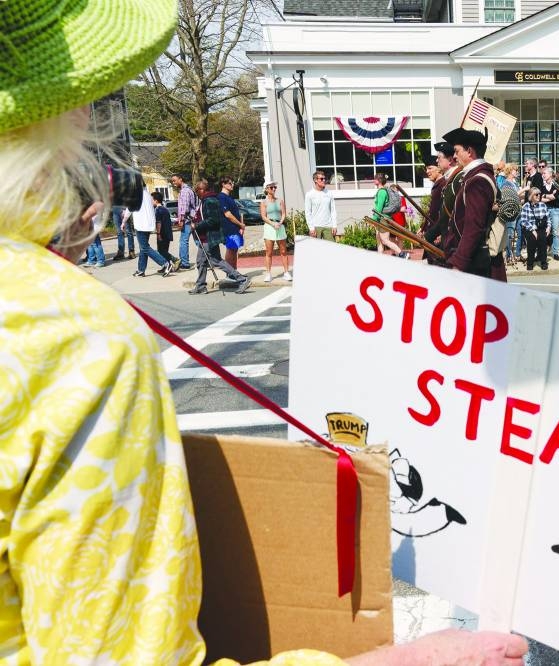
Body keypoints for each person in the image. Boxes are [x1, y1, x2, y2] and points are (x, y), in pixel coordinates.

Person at [0, 2, 529, 663]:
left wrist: (444, 268)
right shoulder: (71, 333)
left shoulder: (477, 179)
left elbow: (473, 235)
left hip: (472, 290)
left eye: (447, 153)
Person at [440, 127, 506, 281]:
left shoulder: (478, 181)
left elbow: (473, 227)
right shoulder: (475, 176)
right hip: (475, 262)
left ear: (469, 151)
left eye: (457, 151)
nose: (454, 156)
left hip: (477, 266)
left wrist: (458, 263)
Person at [188, 179, 252, 295]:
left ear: (202, 189)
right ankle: (201, 285)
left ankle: (241, 278)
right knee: (200, 261)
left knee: (216, 260)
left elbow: (213, 220)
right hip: (205, 237)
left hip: (210, 237)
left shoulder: (210, 200)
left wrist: (196, 225)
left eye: (197, 191)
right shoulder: (205, 200)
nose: (196, 193)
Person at [131, 188, 174, 277]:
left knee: (145, 247)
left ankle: (166, 263)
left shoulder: (137, 195)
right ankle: (141, 270)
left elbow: (129, 209)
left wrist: (123, 221)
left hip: (141, 225)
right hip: (147, 225)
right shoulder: (147, 195)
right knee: (143, 248)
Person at [260, 181, 292, 282]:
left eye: (275, 187)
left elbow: (283, 214)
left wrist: (280, 222)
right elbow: (263, 217)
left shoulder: (280, 201)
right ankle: (268, 273)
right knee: (269, 252)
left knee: (283, 251)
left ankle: (286, 272)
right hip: (269, 227)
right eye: (271, 187)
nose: (274, 189)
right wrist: (273, 224)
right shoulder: (263, 202)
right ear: (266, 189)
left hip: (280, 226)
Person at [372, 173, 407, 258]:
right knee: (379, 240)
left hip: (382, 219)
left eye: (375, 179)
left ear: (378, 181)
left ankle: (401, 253)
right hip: (381, 218)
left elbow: (379, 209)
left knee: (385, 241)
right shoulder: (383, 191)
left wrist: (374, 220)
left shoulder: (382, 192)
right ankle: (379, 259)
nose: (373, 180)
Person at [218, 176, 247, 269]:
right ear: (223, 184)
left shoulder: (230, 197)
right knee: (230, 250)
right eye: (230, 183)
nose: (232, 185)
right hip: (229, 229)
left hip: (236, 228)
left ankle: (235, 272)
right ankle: (230, 273)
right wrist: (240, 224)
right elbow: (228, 214)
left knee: (235, 250)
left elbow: (238, 213)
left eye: (233, 183)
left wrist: (241, 227)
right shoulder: (221, 197)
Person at [520, 187, 551, 270]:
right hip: (530, 228)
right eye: (536, 194)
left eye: (539, 194)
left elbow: (548, 218)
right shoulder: (526, 206)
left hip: (541, 227)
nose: (538, 196)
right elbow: (523, 221)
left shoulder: (543, 205)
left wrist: (548, 227)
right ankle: (530, 262)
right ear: (531, 196)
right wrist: (532, 230)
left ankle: (543, 262)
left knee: (543, 240)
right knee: (532, 240)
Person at [172, 172, 197, 269]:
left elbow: (185, 208)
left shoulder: (185, 191)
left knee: (183, 241)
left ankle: (185, 263)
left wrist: (181, 220)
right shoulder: (187, 189)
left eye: (174, 180)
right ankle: (209, 259)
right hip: (192, 218)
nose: (173, 183)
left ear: (180, 179)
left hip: (188, 220)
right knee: (198, 241)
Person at [304, 169, 338, 241]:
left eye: (325, 179)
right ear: (315, 180)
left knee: (332, 249)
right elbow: (308, 212)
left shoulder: (329, 193)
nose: (324, 180)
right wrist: (311, 228)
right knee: (316, 250)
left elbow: (333, 211)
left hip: (328, 226)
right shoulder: (309, 194)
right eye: (321, 179)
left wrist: (334, 225)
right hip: (316, 227)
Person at [539, 167, 559, 261]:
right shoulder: (542, 185)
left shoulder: (557, 184)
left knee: (555, 232)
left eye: (544, 173)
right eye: (542, 174)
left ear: (550, 174)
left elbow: (554, 197)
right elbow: (540, 198)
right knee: (545, 231)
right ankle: (544, 251)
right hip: (545, 209)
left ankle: (555, 252)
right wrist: (548, 196)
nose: (543, 175)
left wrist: (545, 196)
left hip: (555, 210)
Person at [152, 190, 179, 269]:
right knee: (164, 251)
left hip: (162, 234)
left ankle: (175, 260)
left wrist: (158, 233)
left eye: (151, 200)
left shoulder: (158, 210)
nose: (150, 202)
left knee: (161, 251)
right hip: (167, 233)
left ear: (156, 201)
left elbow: (159, 223)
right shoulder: (164, 209)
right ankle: (167, 267)